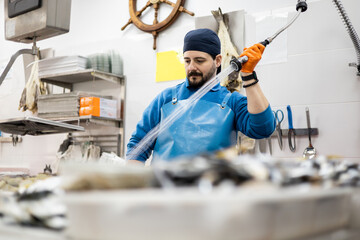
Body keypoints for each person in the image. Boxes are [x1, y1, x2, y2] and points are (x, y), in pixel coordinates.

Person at [127, 28, 275, 164]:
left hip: (214, 189)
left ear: (217, 60)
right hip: (166, 189)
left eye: (199, 60)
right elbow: (138, 145)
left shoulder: (232, 101)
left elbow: (263, 128)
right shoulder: (165, 98)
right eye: (187, 61)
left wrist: (248, 75)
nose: (191, 67)